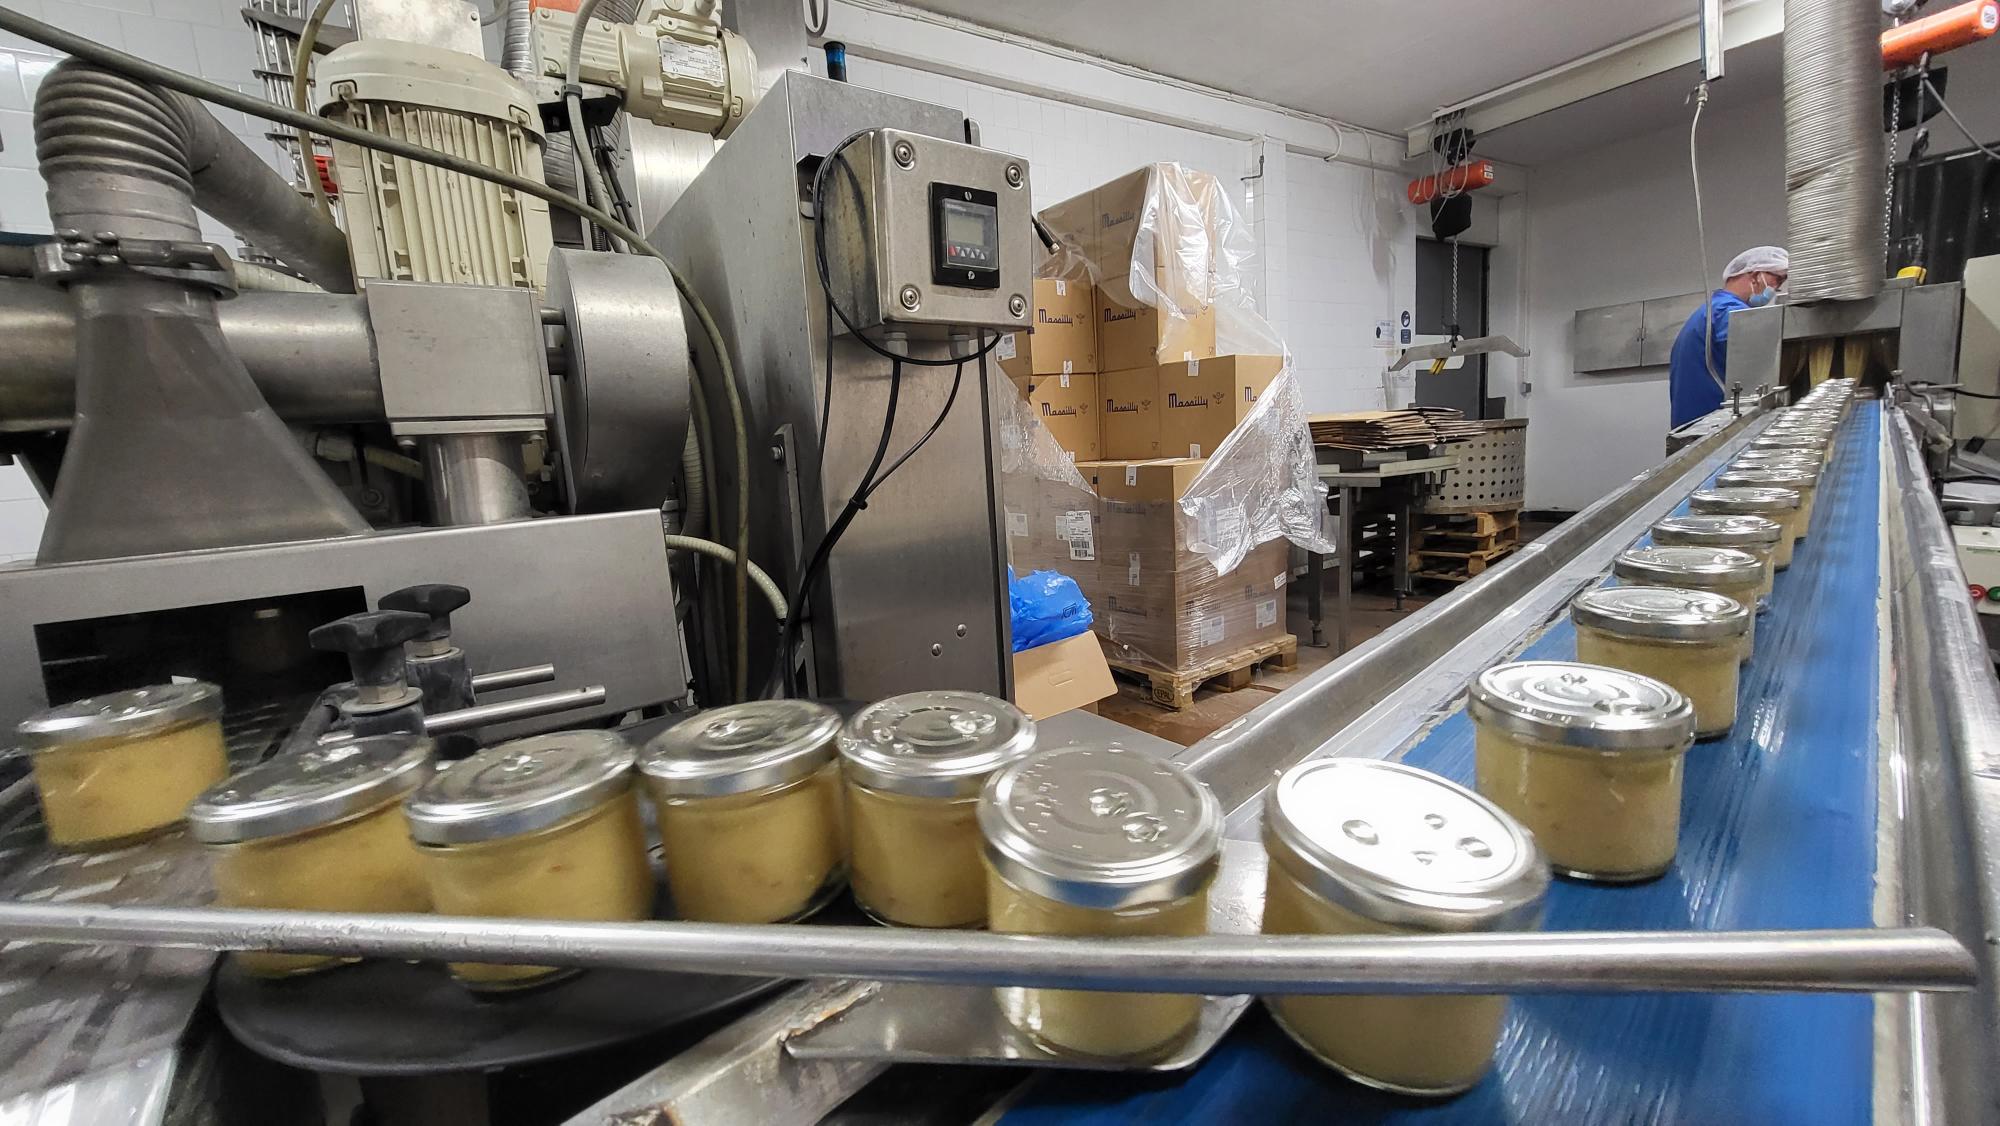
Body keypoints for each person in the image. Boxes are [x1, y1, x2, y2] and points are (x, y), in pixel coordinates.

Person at [1667, 246, 1789, 428]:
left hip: (1694, 425)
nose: (1777, 288)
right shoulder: (1730, 312)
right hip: (1712, 425)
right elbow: (1758, 366)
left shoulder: (1712, 309)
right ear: (1755, 276)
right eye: (1777, 280)